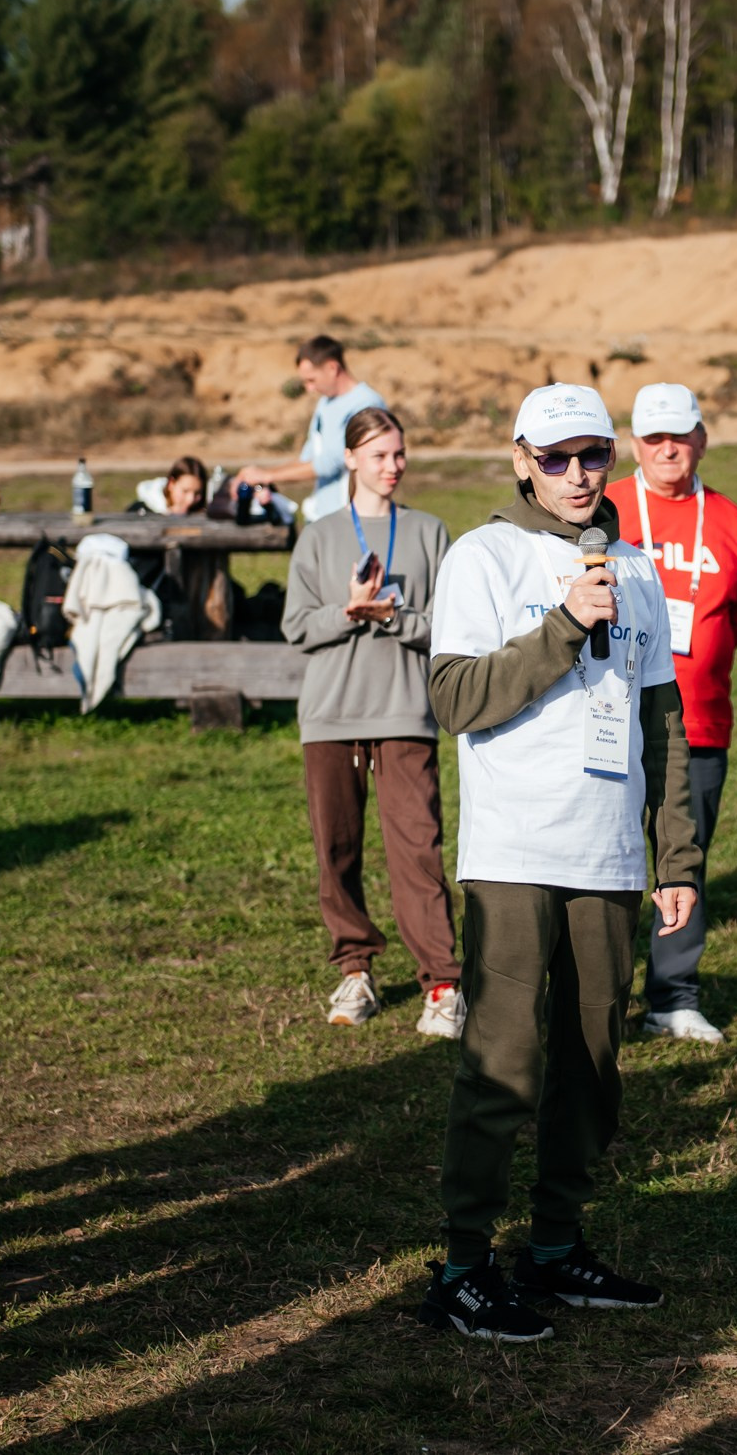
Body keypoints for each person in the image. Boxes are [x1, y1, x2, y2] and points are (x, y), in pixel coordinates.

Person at [419, 383, 702, 1341]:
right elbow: (456, 696)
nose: (578, 476)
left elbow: (663, 724)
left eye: (594, 456)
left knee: (593, 1063)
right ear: (520, 459)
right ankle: (462, 1265)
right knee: (505, 1061)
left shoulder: (638, 563)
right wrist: (563, 624)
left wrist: (678, 855)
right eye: (556, 458)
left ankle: (555, 1246)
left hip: (612, 854)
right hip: (514, 850)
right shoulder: (482, 556)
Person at [280, 407, 462, 1037]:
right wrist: (349, 611)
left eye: (400, 454)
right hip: (329, 718)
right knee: (337, 852)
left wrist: (391, 617)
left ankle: (442, 982)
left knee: (419, 850)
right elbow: (297, 626)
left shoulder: (431, 532)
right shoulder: (319, 535)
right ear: (351, 458)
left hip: (406, 713)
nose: (393, 466)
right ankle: (354, 969)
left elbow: (448, 626)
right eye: (381, 455)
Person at [603, 383, 737, 1044]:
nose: (669, 449)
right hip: (608, 720)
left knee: (682, 861)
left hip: (698, 722)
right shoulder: (607, 507)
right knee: (603, 860)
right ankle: (599, 999)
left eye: (680, 435)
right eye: (654, 438)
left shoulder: (730, 520)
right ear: (634, 444)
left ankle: (674, 995)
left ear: (702, 437)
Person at [235, 335, 386, 522]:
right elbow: (309, 458)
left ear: (332, 368)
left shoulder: (366, 404)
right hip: (321, 517)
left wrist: (268, 475)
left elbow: (332, 462)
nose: (309, 388)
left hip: (353, 520)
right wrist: (259, 474)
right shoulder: (325, 403)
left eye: (311, 380)